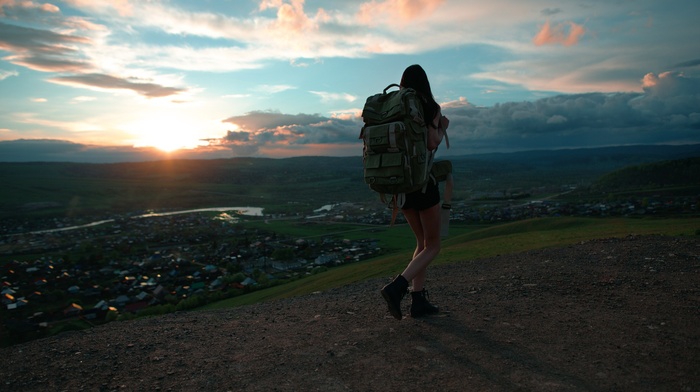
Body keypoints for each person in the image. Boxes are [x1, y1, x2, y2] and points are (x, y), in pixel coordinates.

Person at [381, 64, 449, 320]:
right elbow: (432, 142)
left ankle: (418, 300)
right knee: (433, 246)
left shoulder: (393, 107)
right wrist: (442, 127)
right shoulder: (430, 106)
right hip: (422, 182)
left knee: (421, 243)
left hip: (401, 186)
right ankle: (398, 286)